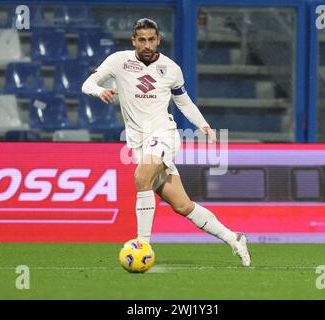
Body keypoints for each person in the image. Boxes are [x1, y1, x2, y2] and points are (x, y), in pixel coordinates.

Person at [82, 18, 250, 267]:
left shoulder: (171, 69)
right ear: (134, 41)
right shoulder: (119, 61)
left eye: (152, 39)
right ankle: (234, 238)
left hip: (164, 134)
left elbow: (184, 102)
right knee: (182, 206)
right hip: (138, 142)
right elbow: (88, 83)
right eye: (142, 40)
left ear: (159, 40)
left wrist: (203, 125)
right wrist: (100, 91)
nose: (147, 44)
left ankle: (142, 245)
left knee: (141, 178)